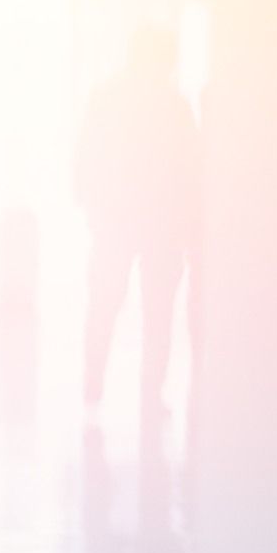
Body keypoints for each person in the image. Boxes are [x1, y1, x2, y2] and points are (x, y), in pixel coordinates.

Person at [73, 27, 202, 417]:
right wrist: (188, 221)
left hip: (116, 219)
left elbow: (84, 155)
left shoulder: (106, 97)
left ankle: (94, 382)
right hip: (161, 225)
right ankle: (150, 392)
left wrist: (91, 205)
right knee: (157, 311)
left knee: (105, 303)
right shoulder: (174, 104)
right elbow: (190, 166)